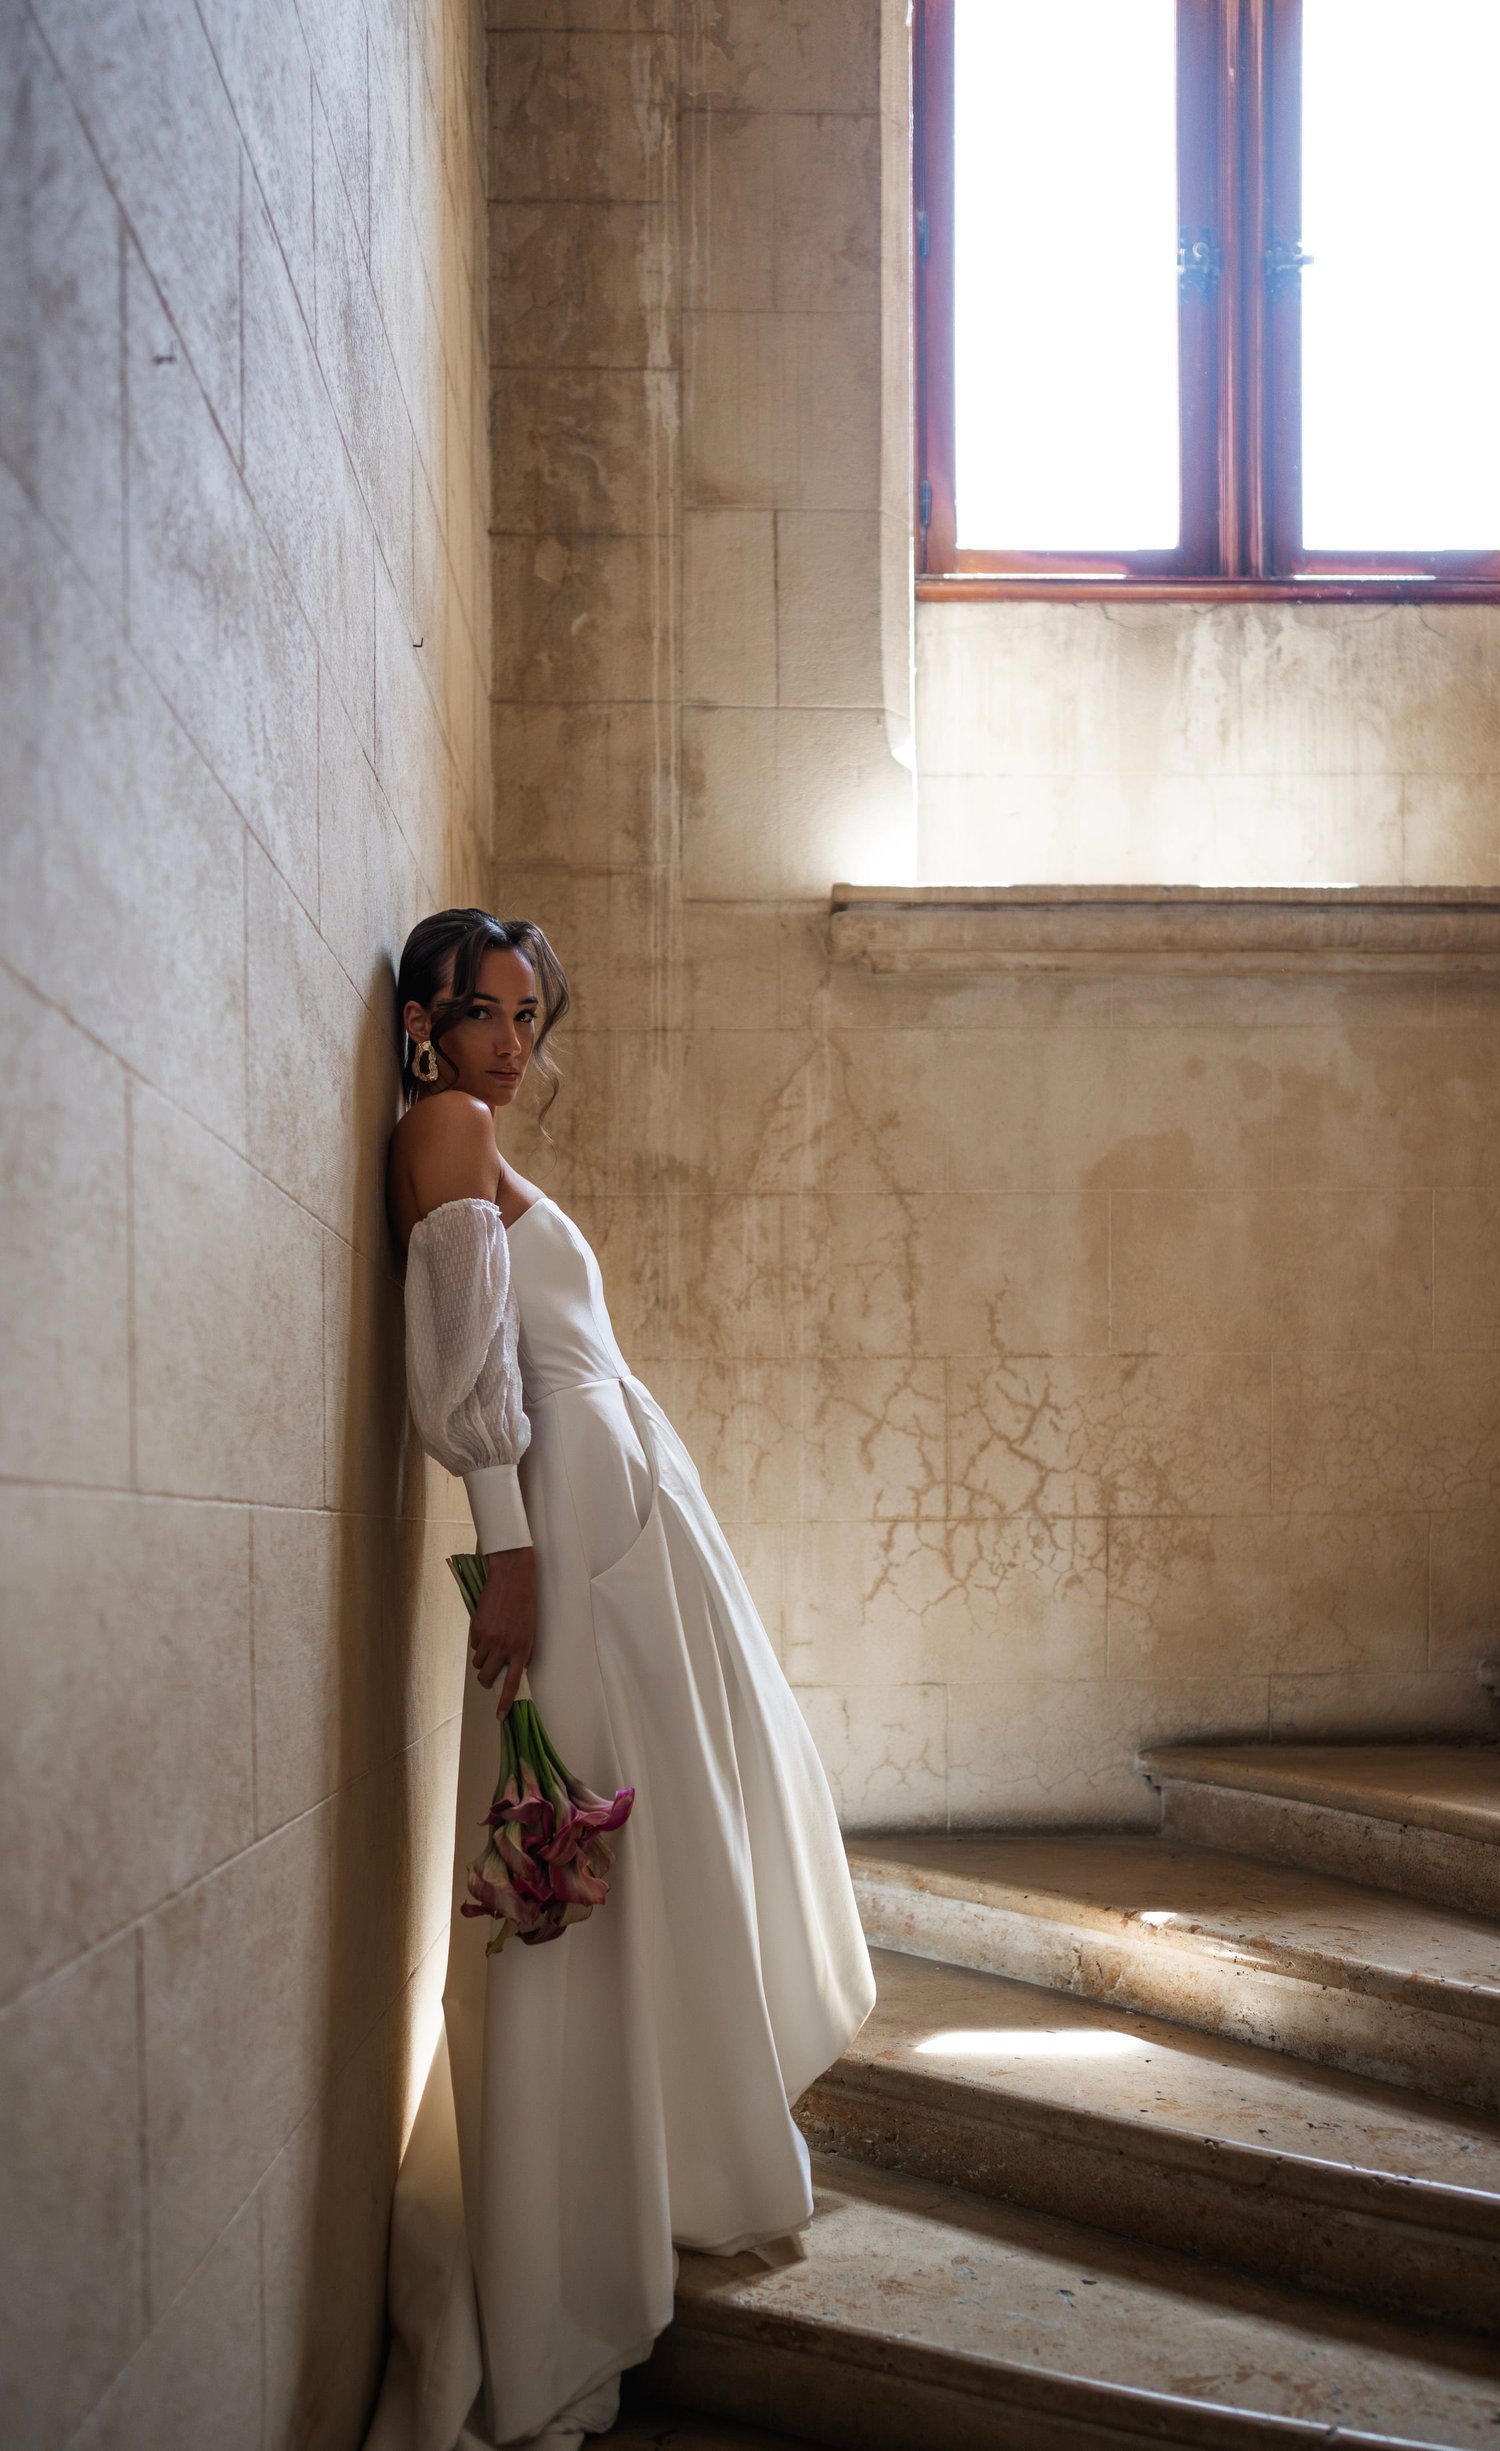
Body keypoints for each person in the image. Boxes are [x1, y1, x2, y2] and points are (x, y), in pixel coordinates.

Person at [364, 908, 876, 2451]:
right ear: (424, 1025)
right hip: (563, 1520)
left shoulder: (470, 1121)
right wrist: (504, 1547)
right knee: (570, 1822)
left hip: (619, 1510)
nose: (511, 1048)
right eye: (484, 1014)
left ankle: (640, 2160)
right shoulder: (442, 1130)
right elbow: (465, 1349)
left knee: (634, 1829)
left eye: (530, 1018)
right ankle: (559, 2230)